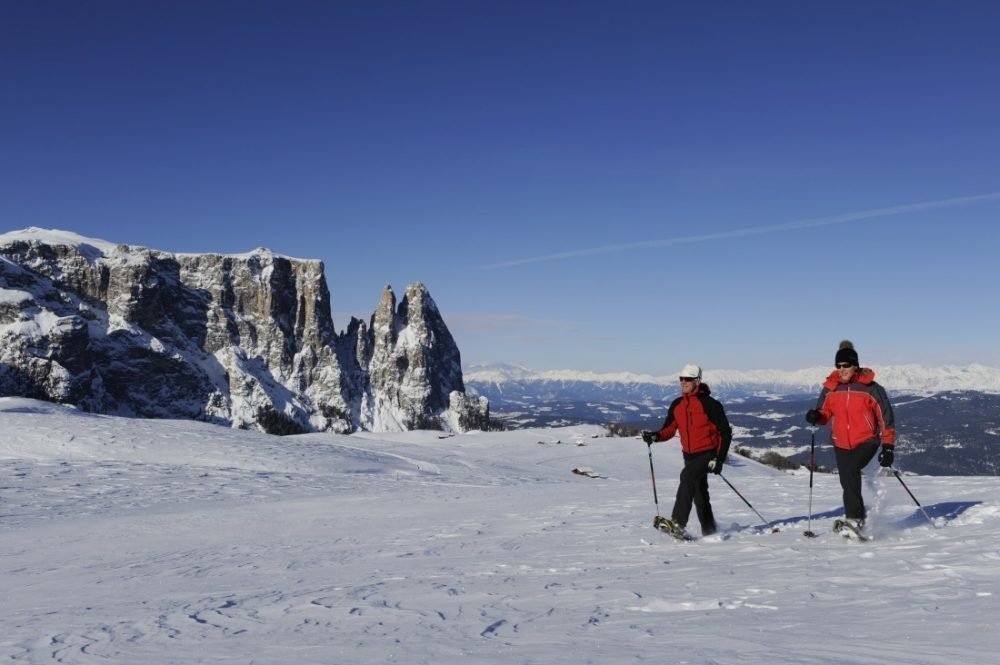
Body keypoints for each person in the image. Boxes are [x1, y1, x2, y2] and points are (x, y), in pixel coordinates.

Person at [805, 340, 896, 533]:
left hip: (867, 440)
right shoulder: (831, 388)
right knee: (847, 481)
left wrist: (888, 446)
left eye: (846, 365)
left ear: (855, 365)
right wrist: (816, 416)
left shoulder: (871, 388)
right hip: (841, 442)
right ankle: (856, 519)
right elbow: (825, 413)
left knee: (851, 470)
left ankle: (855, 518)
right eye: (838, 366)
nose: (842, 369)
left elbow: (885, 418)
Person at [641, 363, 732, 537]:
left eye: (688, 379)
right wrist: (655, 436)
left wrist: (719, 459)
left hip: (708, 454)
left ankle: (678, 523)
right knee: (700, 496)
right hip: (689, 455)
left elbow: (725, 433)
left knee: (687, 475)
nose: (684, 382)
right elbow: (669, 429)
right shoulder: (677, 405)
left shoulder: (710, 405)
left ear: (697, 381)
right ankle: (711, 532)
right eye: (681, 379)